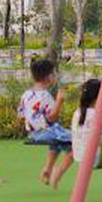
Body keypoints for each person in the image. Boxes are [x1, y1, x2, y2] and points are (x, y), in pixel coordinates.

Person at [19, 58, 74, 186]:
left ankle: (47, 169)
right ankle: (58, 172)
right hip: (45, 132)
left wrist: (33, 122)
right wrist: (59, 101)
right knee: (77, 142)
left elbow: (20, 115)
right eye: (54, 73)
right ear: (48, 77)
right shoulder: (45, 96)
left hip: (33, 134)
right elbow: (52, 117)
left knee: (57, 140)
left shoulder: (26, 94)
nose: (55, 76)